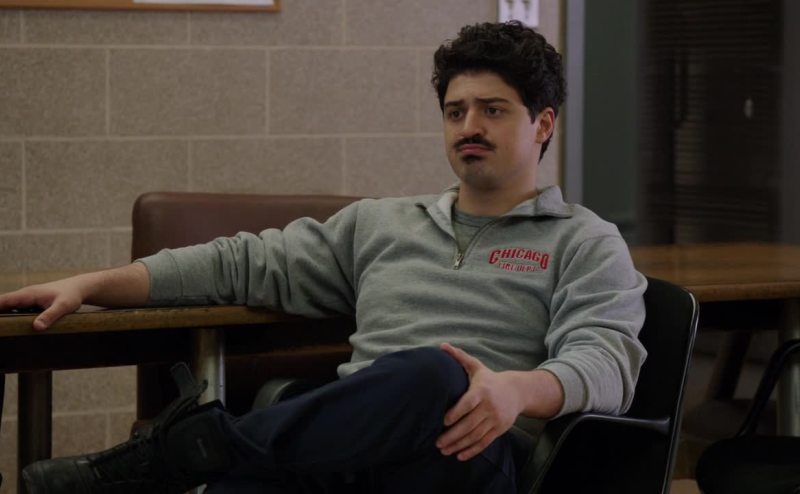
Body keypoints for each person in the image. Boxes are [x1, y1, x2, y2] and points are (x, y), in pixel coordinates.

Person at [1, 21, 647, 493]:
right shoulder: (382, 223)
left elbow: (608, 363)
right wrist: (91, 284)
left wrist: (515, 390)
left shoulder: (583, 240)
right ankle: (205, 455)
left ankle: (182, 454)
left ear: (543, 124)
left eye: (493, 110)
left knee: (435, 372)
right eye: (455, 112)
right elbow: (240, 264)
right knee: (241, 485)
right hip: (347, 458)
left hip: (468, 459)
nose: (468, 126)